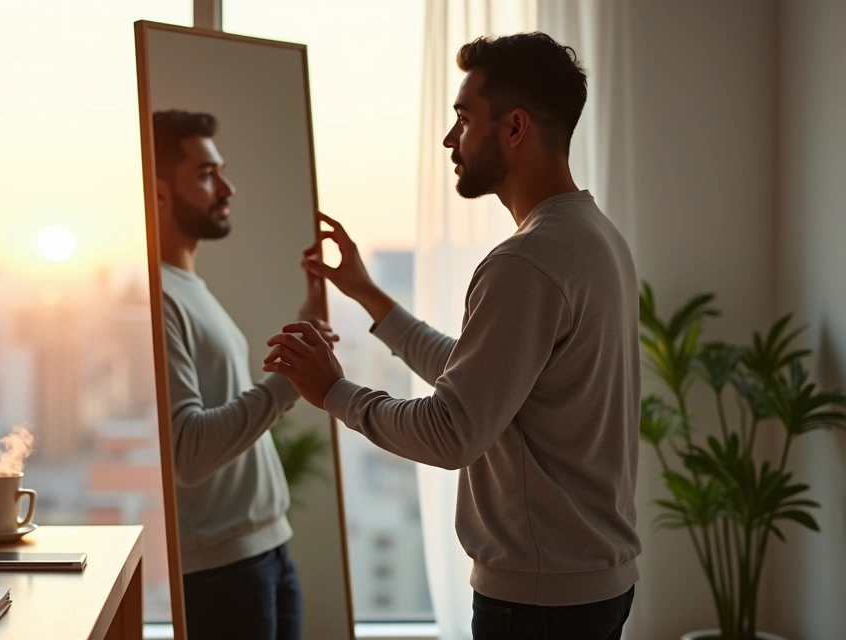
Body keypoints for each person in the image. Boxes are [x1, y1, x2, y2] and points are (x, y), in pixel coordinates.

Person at [263, 33, 641, 638]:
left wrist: (335, 392)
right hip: (587, 585)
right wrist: (370, 296)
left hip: (537, 601)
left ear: (515, 128)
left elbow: (451, 432)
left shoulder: (526, 261)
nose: (449, 139)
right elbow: (487, 379)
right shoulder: (594, 236)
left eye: (464, 118)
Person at [152, 109, 336, 640]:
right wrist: (289, 382)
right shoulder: (160, 297)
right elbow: (187, 452)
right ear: (159, 194)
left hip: (266, 551)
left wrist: (309, 322)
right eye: (207, 174)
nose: (227, 187)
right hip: (222, 574)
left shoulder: (189, 288)